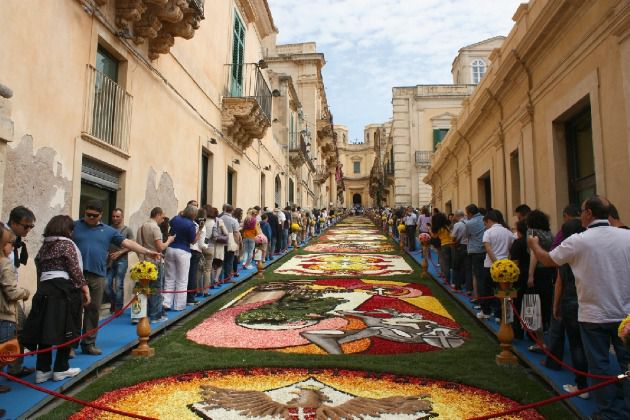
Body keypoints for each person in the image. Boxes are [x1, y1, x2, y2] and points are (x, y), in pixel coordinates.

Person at [529, 196, 630, 418]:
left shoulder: (579, 240)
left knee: (600, 365)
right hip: (625, 315)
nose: (580, 214)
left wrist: (534, 245)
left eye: (582, 210)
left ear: (589, 213)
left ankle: (610, 413)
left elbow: (548, 260)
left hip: (593, 315)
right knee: (626, 362)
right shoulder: (627, 236)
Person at [73, 201, 161, 355]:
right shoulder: (74, 226)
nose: (90, 218)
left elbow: (128, 243)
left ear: (100, 215)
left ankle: (88, 343)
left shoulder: (107, 231)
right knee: (74, 310)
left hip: (97, 274)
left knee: (93, 310)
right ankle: (70, 347)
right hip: (76, 275)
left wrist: (147, 252)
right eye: (88, 215)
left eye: (94, 216)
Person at [22, 215, 89, 383]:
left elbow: (38, 265)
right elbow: (74, 268)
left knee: (46, 329)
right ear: (67, 229)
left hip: (45, 289)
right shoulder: (66, 244)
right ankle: (61, 367)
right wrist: (85, 288)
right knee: (67, 327)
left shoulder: (45, 246)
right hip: (63, 289)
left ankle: (42, 370)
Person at [548, 219, 589, 398]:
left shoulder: (566, 252)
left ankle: (582, 386)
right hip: (590, 300)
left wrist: (555, 305)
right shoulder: (589, 249)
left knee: (577, 345)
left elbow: (560, 283)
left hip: (571, 300)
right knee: (592, 344)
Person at [4, 206, 37, 378]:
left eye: (31, 227)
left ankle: (15, 368)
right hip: (5, 296)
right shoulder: (3, 237)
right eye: (26, 226)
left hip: (11, 294)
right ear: (14, 223)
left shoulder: (14, 239)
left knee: (19, 330)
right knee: (8, 335)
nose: (29, 230)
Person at [0, 223, 30, 392]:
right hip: (4, 313)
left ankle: (15, 369)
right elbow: (11, 292)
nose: (13, 247)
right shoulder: (4, 263)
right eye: (10, 243)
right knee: (4, 351)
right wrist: (25, 292)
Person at [136, 207, 175, 323]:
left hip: (142, 262)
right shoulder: (155, 228)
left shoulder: (141, 227)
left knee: (143, 289)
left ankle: (140, 315)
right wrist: (169, 240)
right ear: (157, 215)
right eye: (162, 217)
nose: (163, 220)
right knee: (156, 289)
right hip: (154, 262)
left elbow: (138, 246)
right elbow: (160, 247)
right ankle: (155, 316)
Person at [478, 210, 514, 319]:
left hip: (490, 265)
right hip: (506, 265)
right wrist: (504, 262)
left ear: (489, 221)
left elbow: (488, 249)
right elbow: (511, 249)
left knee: (487, 289)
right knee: (502, 291)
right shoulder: (508, 232)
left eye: (485, 223)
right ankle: (500, 315)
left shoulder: (488, 232)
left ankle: (486, 312)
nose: (485, 226)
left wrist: (496, 263)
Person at [163, 205, 197, 312]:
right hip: (183, 251)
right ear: (194, 215)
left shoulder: (176, 219)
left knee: (169, 277)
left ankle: (166, 303)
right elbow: (192, 241)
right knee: (182, 279)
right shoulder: (191, 225)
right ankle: (179, 305)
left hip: (171, 248)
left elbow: (170, 227)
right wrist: (199, 231)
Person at [105, 208, 134, 313]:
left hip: (122, 261)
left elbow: (132, 246)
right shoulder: (107, 228)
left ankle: (118, 308)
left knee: (118, 285)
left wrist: (120, 252)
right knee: (106, 284)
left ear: (122, 217)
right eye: (113, 216)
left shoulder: (127, 230)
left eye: (117, 216)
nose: (115, 218)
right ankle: (114, 301)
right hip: (109, 261)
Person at [464, 204, 485, 300]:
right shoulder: (484, 219)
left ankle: (477, 296)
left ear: (470, 213)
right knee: (485, 274)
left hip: (475, 250)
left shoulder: (469, 223)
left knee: (476, 275)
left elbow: (467, 235)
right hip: (486, 249)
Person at [187, 207, 207, 305]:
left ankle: (186, 297)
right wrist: (207, 246)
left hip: (188, 250)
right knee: (193, 274)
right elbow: (201, 244)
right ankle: (191, 298)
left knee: (187, 274)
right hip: (196, 251)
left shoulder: (191, 224)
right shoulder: (201, 227)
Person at [431, 212, 453, 283]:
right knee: (451, 261)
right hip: (452, 244)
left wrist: (429, 230)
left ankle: (447, 279)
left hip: (444, 245)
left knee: (445, 262)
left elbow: (434, 236)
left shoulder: (439, 228)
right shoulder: (446, 226)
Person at [450, 210, 468, 290]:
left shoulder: (457, 224)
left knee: (456, 266)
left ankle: (457, 285)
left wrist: (453, 241)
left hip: (458, 246)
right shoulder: (468, 223)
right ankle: (463, 282)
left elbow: (453, 236)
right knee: (464, 266)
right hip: (467, 246)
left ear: (457, 216)